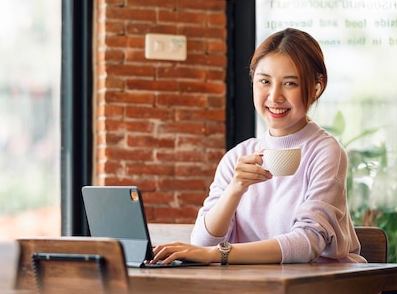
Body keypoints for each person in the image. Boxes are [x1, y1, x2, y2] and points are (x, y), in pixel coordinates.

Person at [150, 28, 366, 265]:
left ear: (316, 87)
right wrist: (236, 187)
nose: (275, 96)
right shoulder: (237, 157)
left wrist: (220, 254)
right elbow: (202, 244)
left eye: (290, 83)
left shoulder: (325, 151)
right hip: (256, 284)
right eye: (264, 81)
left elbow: (308, 241)